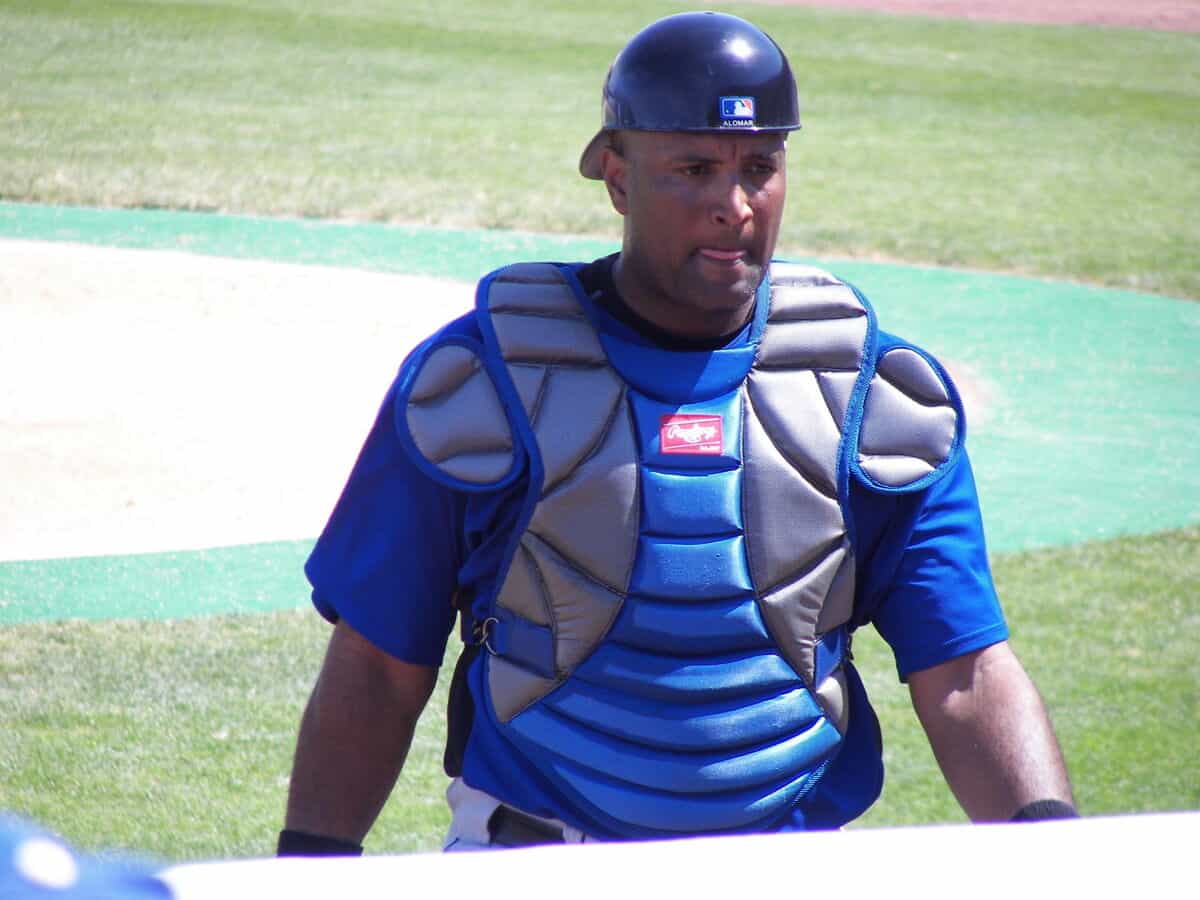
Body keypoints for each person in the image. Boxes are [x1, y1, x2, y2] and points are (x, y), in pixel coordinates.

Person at [278, 11, 1077, 855]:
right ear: (618, 178)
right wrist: (308, 867)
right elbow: (377, 668)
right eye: (694, 169)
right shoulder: (482, 383)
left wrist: (1061, 858)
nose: (734, 206)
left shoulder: (868, 399)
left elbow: (965, 671)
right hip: (537, 862)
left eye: (759, 168)